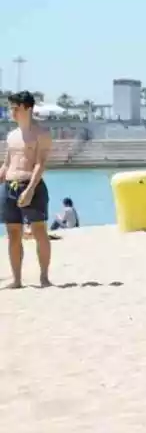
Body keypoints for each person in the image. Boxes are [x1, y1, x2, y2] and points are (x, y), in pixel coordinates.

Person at [1, 91, 54, 288]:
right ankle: (16, 280)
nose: (12, 112)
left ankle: (44, 277)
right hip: (9, 186)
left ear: (28, 108)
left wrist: (30, 189)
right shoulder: (11, 135)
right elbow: (7, 164)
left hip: (32, 185)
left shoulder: (41, 134)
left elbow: (40, 164)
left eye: (16, 108)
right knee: (13, 233)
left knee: (39, 232)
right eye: (11, 108)